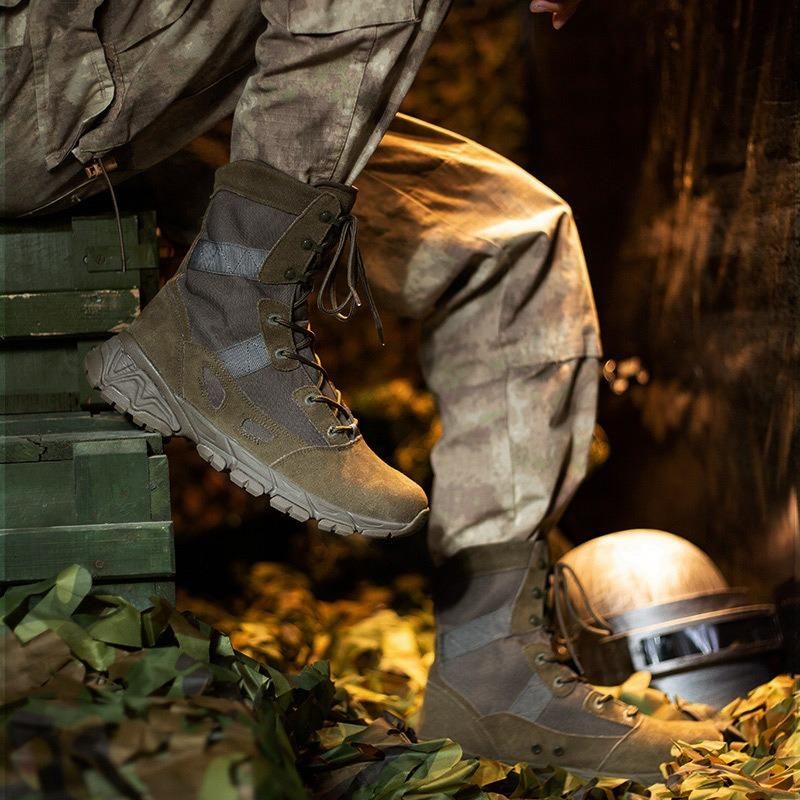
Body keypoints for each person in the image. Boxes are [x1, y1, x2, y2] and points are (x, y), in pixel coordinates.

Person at [1, 0, 724, 780]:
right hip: (31, 71)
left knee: (514, 238)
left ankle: (494, 675)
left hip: (139, 73)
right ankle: (223, 314)